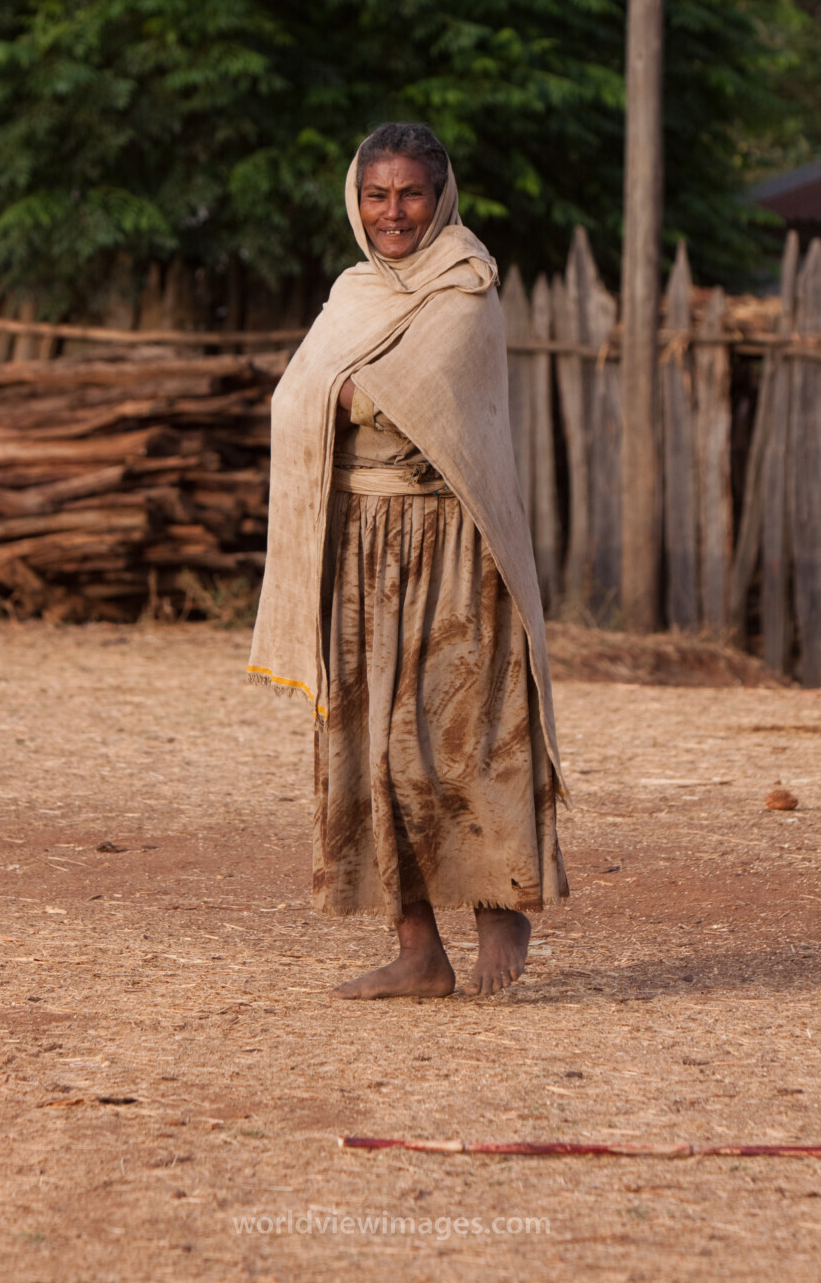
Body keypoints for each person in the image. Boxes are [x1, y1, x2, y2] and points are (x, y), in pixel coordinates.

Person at [248, 122, 568, 998]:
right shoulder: (354, 291)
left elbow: (385, 401)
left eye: (411, 194)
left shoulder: (466, 284)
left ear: (442, 196)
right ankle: (418, 950)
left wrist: (336, 389)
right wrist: (335, 390)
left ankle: (503, 909)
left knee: (458, 737)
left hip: (449, 545)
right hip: (354, 546)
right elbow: (305, 397)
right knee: (369, 746)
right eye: (376, 195)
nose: (393, 213)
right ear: (357, 201)